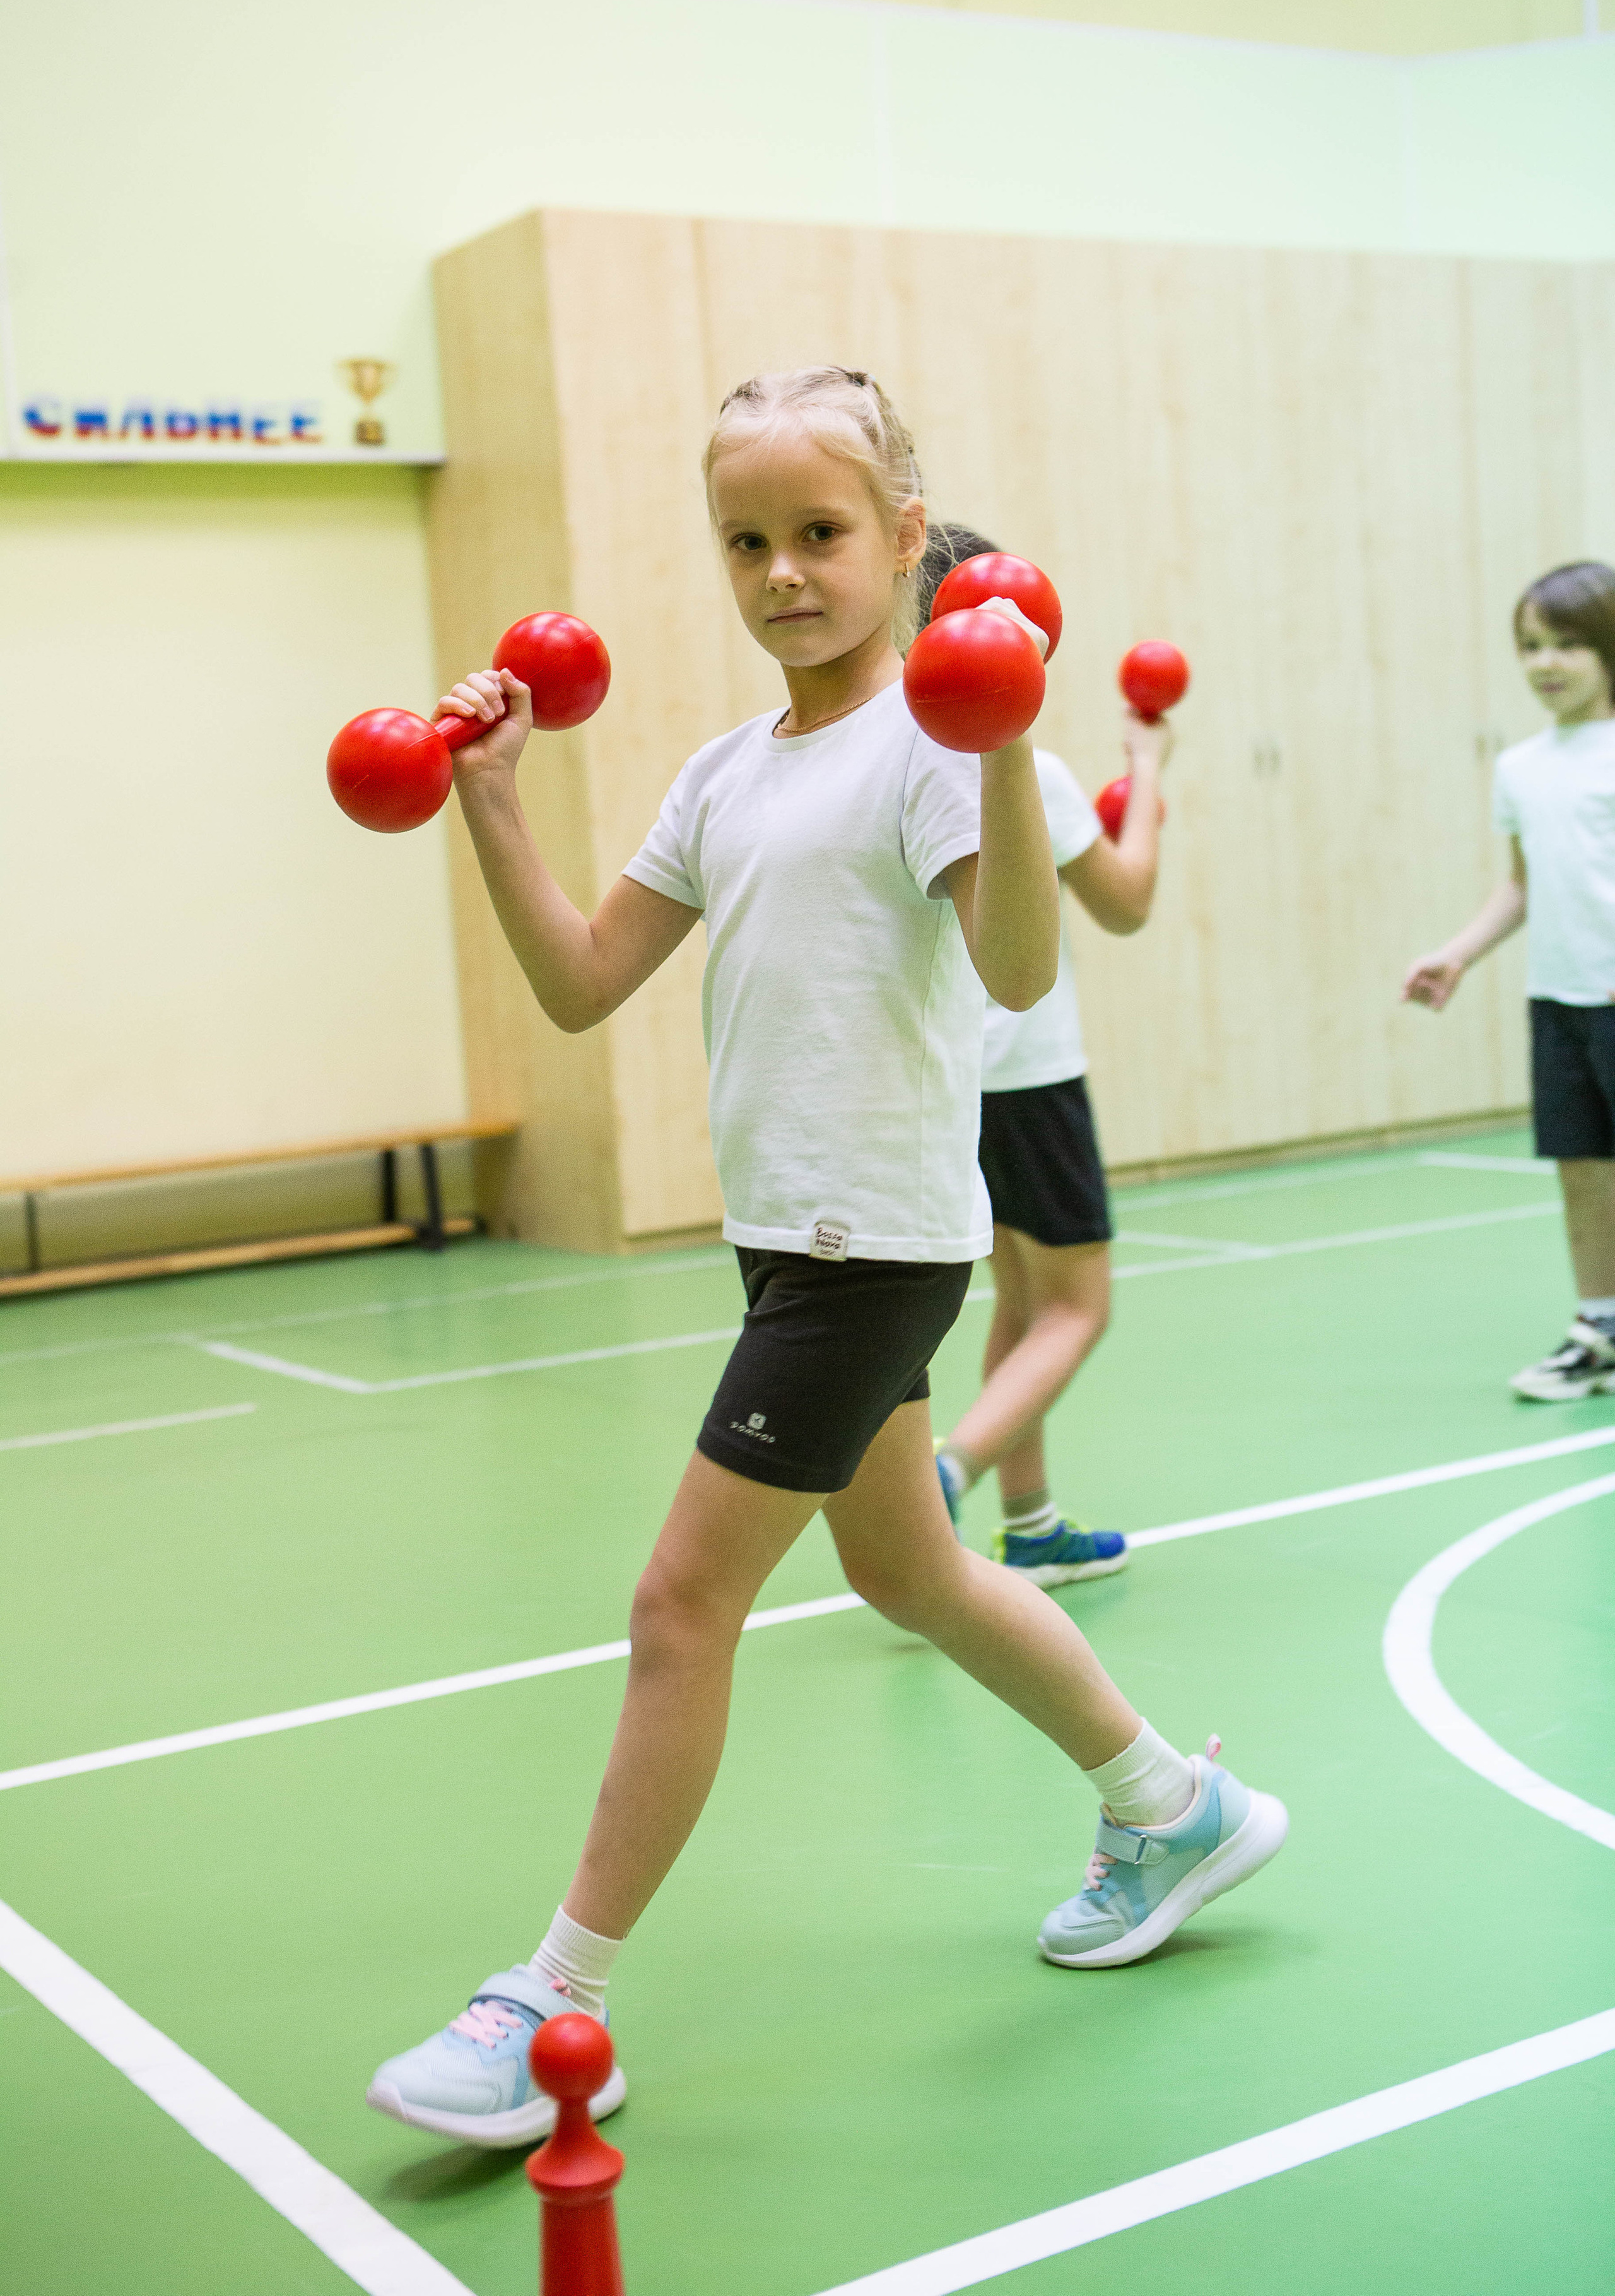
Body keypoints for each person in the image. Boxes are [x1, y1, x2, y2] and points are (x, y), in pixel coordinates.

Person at [366, 368, 1286, 2148]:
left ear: (905, 542)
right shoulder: (726, 773)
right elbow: (578, 981)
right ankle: (1170, 1806)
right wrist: (491, 802)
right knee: (912, 1571)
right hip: (788, 1241)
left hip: (874, 1247)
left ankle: (555, 1995)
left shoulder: (938, 746)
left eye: (822, 534)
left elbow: (1019, 967)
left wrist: (1009, 743)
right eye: (748, 541)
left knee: (678, 1605)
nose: (785, 570)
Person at [923, 527, 1172, 1586]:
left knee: (1023, 1306)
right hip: (1028, 1079)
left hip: (945, 1087)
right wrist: (1149, 776)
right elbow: (1126, 902)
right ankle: (953, 1467)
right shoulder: (1027, 767)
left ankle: (1033, 1526)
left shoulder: (891, 755)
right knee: (1079, 1306)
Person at [1404, 560, 1615, 1401]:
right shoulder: (1522, 767)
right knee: (1582, 1168)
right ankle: (1598, 1325)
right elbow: (1524, 883)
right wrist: (1458, 951)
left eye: (1568, 644)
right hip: (1560, 999)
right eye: (1531, 646)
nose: (1546, 663)